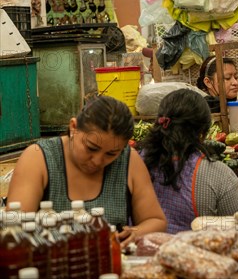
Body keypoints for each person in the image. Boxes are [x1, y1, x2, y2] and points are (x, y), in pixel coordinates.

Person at [7, 96, 167, 246]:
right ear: (73, 128)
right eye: (91, 147)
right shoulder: (38, 158)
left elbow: (155, 220)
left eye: (111, 154)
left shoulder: (129, 161)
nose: (97, 161)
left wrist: (136, 233)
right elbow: (14, 229)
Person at [140, 89, 238, 233]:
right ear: (202, 133)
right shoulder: (217, 175)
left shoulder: (136, 163)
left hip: (141, 252)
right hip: (194, 253)